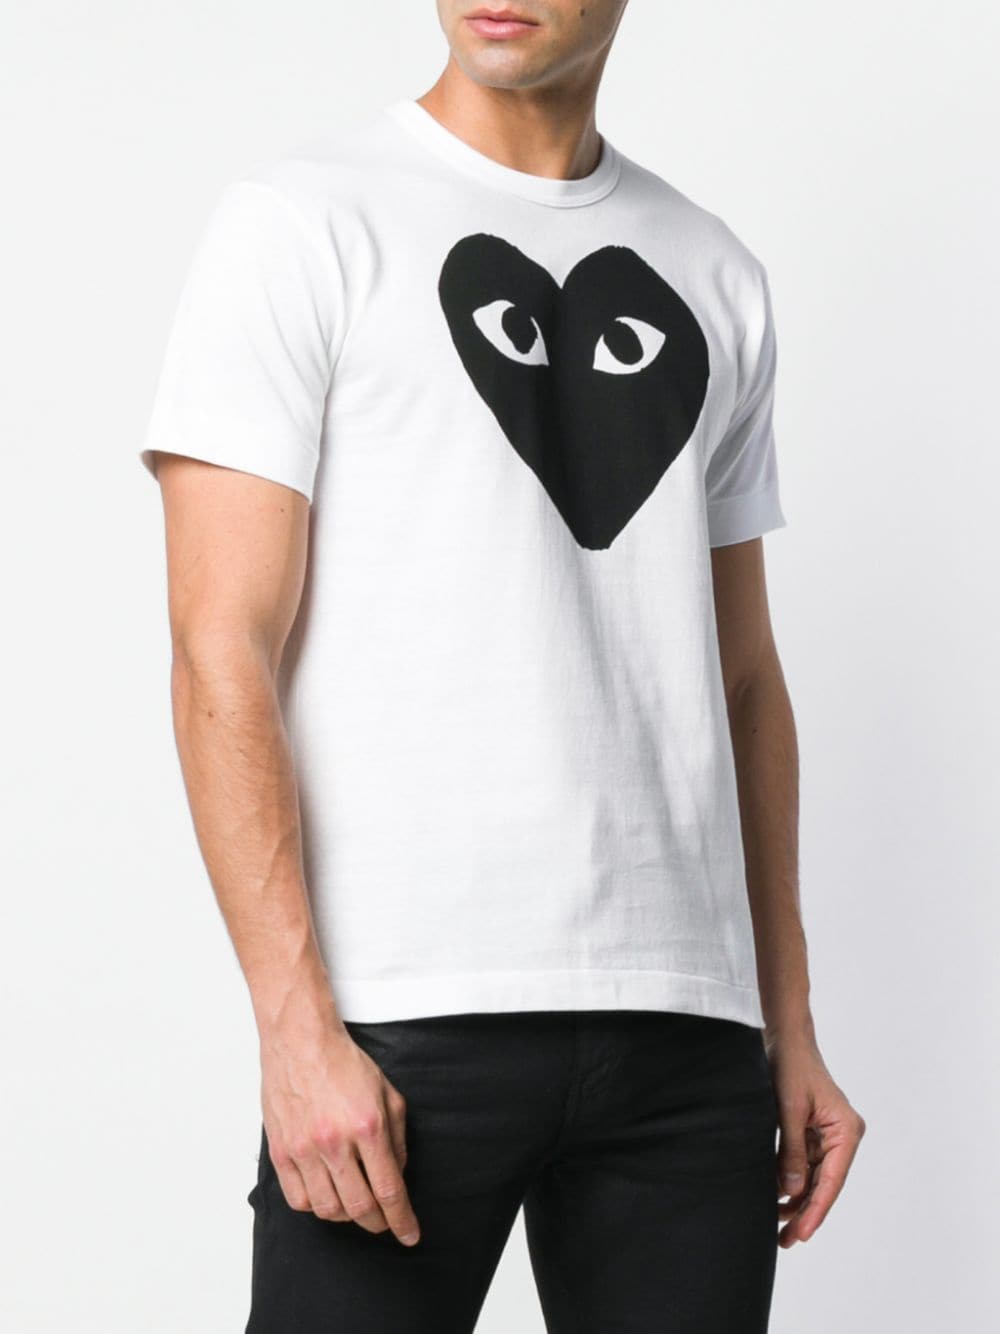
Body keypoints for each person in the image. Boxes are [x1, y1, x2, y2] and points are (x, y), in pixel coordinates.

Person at [139, 3, 865, 1330]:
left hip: (685, 1032)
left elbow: (745, 678)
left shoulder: (714, 269)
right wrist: (295, 1030)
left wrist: (788, 1020)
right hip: (399, 1022)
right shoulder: (303, 223)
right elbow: (218, 646)